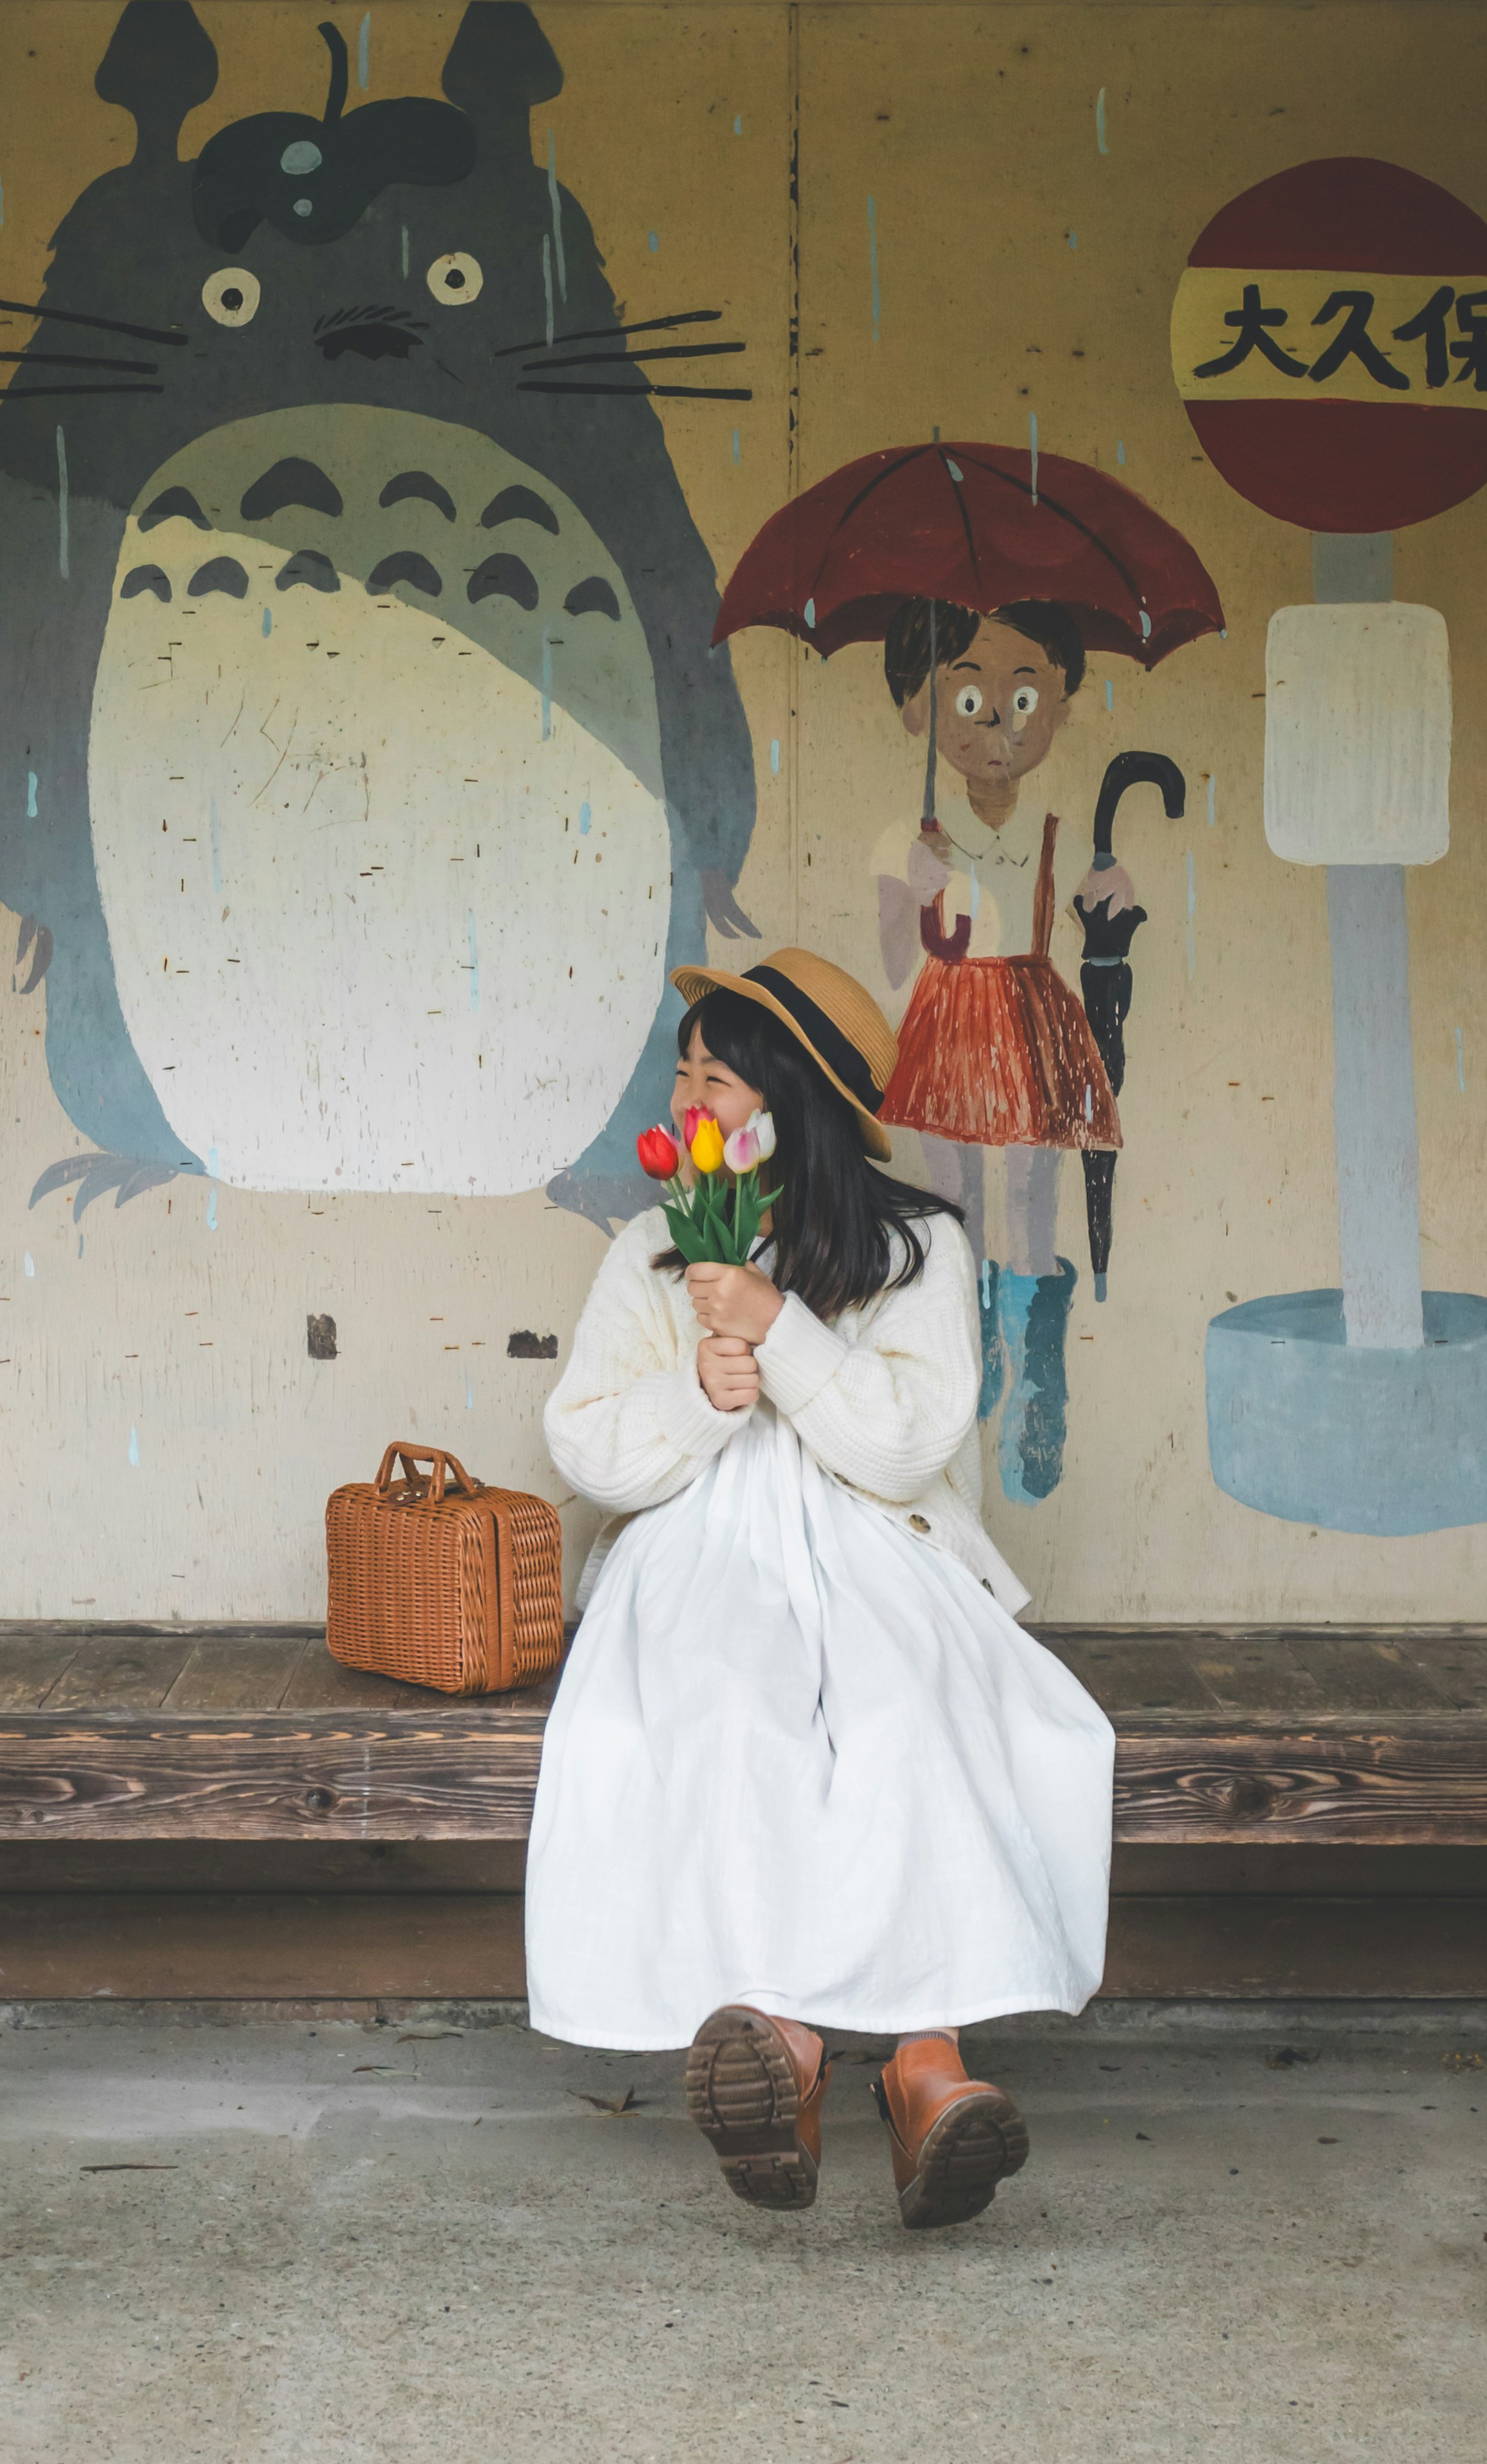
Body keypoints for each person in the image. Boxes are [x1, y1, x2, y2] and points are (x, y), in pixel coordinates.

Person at [525, 947, 1118, 2228]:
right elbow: (584, 1442)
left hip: (876, 1541)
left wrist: (778, 1330)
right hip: (703, 1549)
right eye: (682, 1072)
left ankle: (920, 2071)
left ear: (788, 1101)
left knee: (912, 1717)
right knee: (734, 1712)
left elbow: (909, 1443)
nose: (687, 1099)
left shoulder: (916, 1248)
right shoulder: (649, 1246)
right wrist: (695, 1396)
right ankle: (800, 2051)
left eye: (717, 1079)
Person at [870, 599, 1131, 1502]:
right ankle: (965, 1354)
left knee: (1030, 1193)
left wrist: (1108, 896)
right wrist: (914, 887)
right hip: (949, 1023)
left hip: (1028, 1017)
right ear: (920, 710)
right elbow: (900, 959)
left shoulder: (1055, 829)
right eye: (968, 703)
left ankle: (1038, 1371)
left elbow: (1091, 929)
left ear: (1061, 702)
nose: (997, 730)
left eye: (1024, 703)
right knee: (955, 1200)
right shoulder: (911, 838)